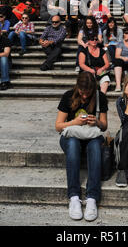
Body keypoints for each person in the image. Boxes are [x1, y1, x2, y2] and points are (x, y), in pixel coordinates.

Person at [55, 72, 108, 221]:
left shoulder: (100, 97)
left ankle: (92, 198)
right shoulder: (68, 96)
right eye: (82, 92)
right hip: (71, 135)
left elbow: (104, 126)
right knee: (72, 144)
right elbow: (58, 126)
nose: (84, 96)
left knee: (96, 147)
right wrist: (75, 122)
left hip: (91, 136)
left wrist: (96, 122)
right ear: (77, 87)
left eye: (88, 93)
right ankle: (74, 197)